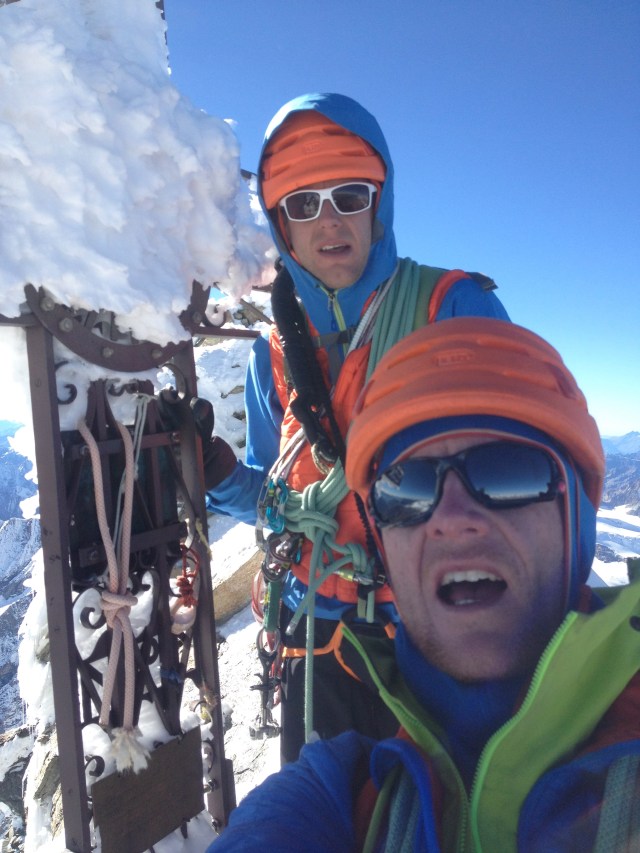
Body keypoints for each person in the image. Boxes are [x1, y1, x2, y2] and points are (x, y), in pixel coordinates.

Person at [207, 317, 640, 852]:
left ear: (578, 514)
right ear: (383, 538)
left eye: (509, 471)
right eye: (404, 487)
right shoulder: (335, 790)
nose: (451, 517)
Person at [204, 92, 510, 763]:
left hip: (432, 641)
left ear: (382, 200)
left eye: (349, 193)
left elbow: (525, 486)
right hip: (313, 642)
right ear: (281, 223)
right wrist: (222, 478)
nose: (329, 220)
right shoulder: (273, 355)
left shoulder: (454, 308)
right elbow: (283, 501)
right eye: (302, 203)